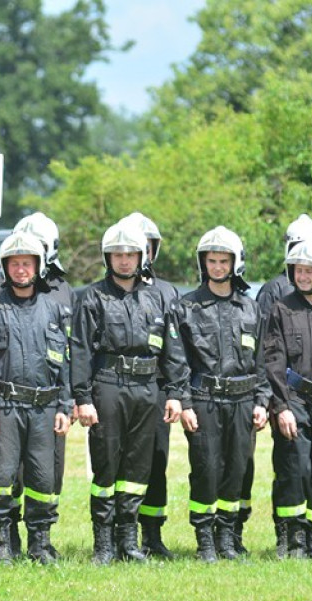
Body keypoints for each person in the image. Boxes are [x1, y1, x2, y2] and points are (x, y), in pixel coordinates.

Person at [71, 215, 187, 564]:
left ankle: (129, 540)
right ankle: (104, 543)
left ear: (142, 257)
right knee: (106, 465)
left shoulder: (159, 297)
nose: (124, 261)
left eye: (130, 254)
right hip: (108, 386)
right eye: (118, 254)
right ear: (108, 257)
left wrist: (176, 393)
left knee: (138, 468)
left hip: (148, 388)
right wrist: (83, 398)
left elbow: (173, 349)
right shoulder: (92, 297)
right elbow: (80, 350)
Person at [0, 233, 72, 564]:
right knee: (1, 478)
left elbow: (65, 363)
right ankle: (2, 542)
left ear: (38, 266)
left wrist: (65, 405)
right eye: (14, 264)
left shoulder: (54, 310)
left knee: (43, 477)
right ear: (5, 267)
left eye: (26, 263)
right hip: (4, 407)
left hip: (45, 408)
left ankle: (40, 543)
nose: (20, 269)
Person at [176, 226, 270, 562]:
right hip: (204, 401)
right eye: (212, 260)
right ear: (203, 263)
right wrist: (185, 403)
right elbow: (178, 361)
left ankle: (227, 537)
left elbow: (262, 361)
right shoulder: (186, 307)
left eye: (223, 261)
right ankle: (205, 540)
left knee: (236, 470)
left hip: (243, 401)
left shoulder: (250, 308)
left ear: (235, 263)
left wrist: (262, 401)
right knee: (206, 469)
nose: (217, 267)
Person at [255, 214, 312, 555]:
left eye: (310, 270)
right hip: (293, 400)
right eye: (298, 269)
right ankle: (290, 538)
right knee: (294, 468)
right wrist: (280, 406)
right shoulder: (279, 306)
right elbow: (272, 360)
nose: (303, 275)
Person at [10, 211, 74, 559]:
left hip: (51, 400)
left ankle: (41, 538)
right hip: (12, 400)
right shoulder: (3, 292)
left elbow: (72, 351)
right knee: (9, 471)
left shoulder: (63, 291)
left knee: (49, 470)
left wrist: (69, 400)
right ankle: (9, 538)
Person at [138, 213, 181, 558]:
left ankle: (152, 534)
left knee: (156, 461)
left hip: (157, 388)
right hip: (116, 387)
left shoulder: (168, 293)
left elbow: (177, 349)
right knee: (118, 462)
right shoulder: (103, 293)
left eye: (146, 246)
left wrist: (176, 393)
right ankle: (115, 533)